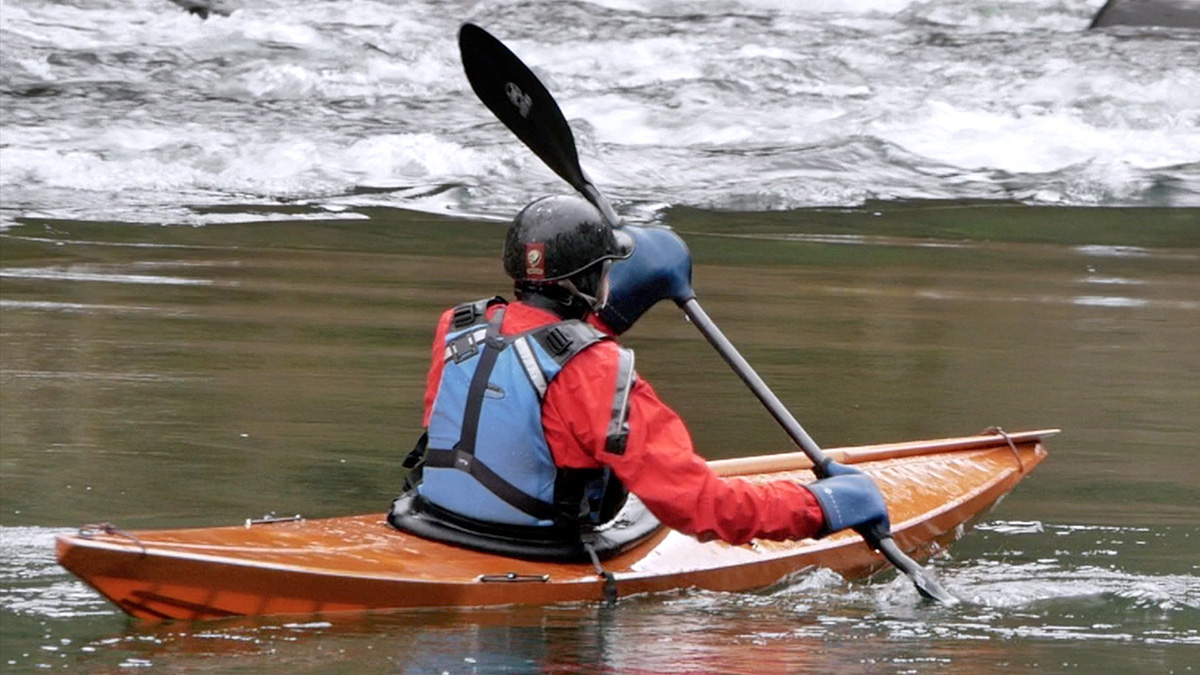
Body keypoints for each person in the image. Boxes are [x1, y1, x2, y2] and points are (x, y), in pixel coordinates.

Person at [403, 194, 889, 551]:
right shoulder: (596, 368)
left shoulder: (459, 327)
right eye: (607, 271)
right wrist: (822, 506)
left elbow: (529, 365)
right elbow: (702, 506)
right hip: (532, 550)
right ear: (594, 279)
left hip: (432, 524)